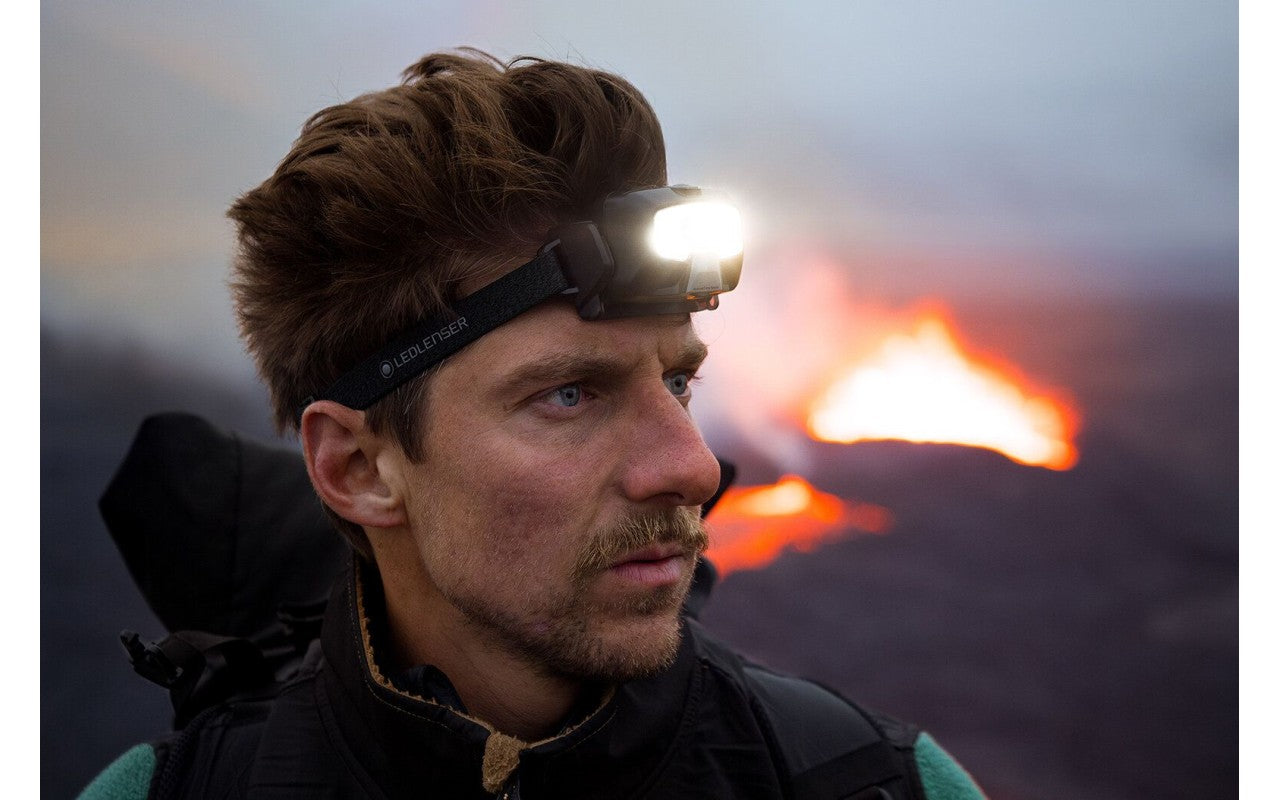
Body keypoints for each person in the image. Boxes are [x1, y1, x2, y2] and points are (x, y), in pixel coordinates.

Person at [80, 50, 985, 799]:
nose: (695, 469)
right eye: (569, 396)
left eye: (676, 383)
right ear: (359, 468)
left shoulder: (878, 786)